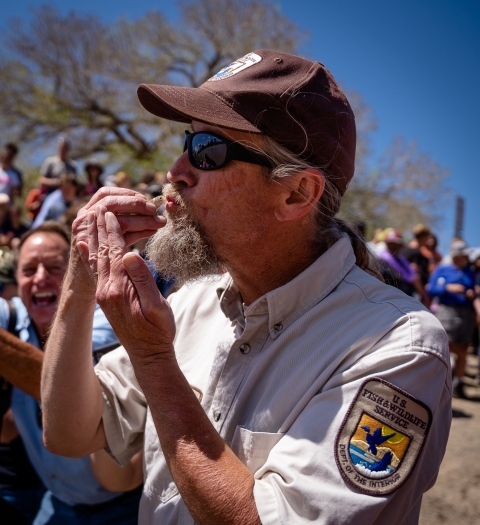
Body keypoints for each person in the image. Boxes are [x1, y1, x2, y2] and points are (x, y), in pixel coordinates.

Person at [41, 50, 451, 524]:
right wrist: (79, 279)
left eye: (207, 151)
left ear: (296, 194)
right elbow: (71, 434)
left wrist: (154, 362)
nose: (175, 171)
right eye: (185, 141)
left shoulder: (399, 345)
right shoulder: (192, 300)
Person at [0, 222, 143, 524]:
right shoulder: (11, 318)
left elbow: (65, 386)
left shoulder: (109, 322)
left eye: (54, 268)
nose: (40, 278)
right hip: (56, 504)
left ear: (75, 272)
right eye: (28, 271)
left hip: (123, 507)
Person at [427, 241, 480, 399]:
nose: (465, 257)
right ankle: (441, 384)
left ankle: (459, 383)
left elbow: (475, 291)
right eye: (462, 254)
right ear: (456, 255)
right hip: (446, 311)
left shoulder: (470, 272)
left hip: (465, 312)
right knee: (445, 346)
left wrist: (471, 293)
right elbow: (430, 288)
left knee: (463, 348)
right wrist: (447, 288)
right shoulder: (442, 269)